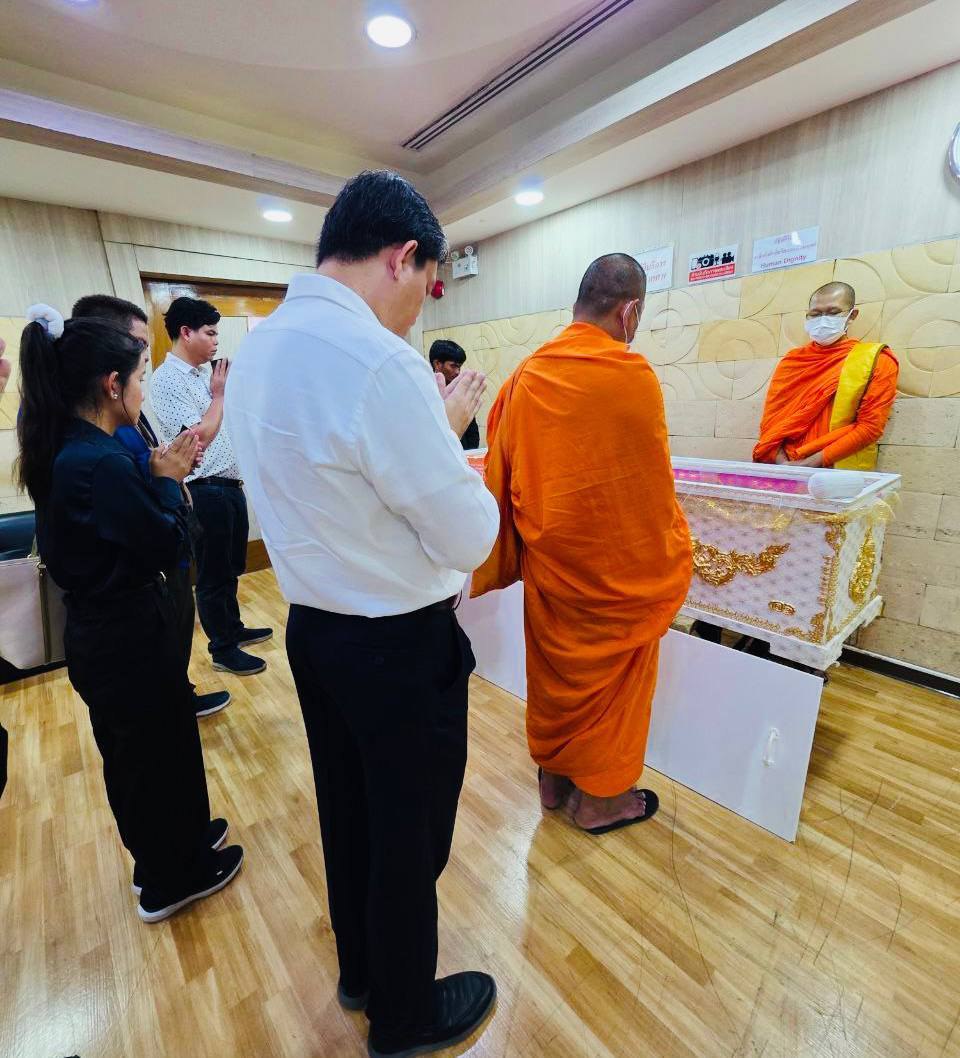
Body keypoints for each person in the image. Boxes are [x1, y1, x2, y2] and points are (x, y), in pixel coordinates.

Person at [227, 170, 500, 1058]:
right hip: (397, 643)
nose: (420, 309)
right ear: (402, 256)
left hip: (317, 631)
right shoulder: (381, 363)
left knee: (348, 813)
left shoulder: (262, 345)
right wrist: (451, 438)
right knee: (409, 832)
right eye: (428, 285)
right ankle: (404, 1016)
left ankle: (363, 973)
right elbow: (467, 535)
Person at [15, 304, 243, 922]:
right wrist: (167, 480)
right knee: (149, 758)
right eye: (140, 375)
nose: (144, 388)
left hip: (115, 633)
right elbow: (164, 540)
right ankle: (171, 878)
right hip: (124, 637)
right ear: (113, 385)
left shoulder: (72, 448)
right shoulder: (99, 463)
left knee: (153, 749)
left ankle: (179, 844)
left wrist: (160, 476)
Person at [473, 254, 692, 834]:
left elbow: (503, 475)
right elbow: (649, 492)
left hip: (554, 573)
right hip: (618, 579)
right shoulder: (632, 376)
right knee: (616, 691)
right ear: (630, 311)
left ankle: (552, 780)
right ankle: (601, 803)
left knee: (555, 680)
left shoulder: (526, 376)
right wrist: (673, 541)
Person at [71, 295, 230, 718]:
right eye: (139, 353)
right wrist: (167, 475)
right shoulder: (101, 449)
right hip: (139, 582)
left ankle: (179, 693)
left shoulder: (108, 429)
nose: (144, 358)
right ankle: (181, 691)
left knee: (183, 618)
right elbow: (153, 532)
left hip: (151, 563)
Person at [150, 297, 271, 676]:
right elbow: (195, 439)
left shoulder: (206, 375)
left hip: (230, 485)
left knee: (231, 567)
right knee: (213, 574)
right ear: (186, 333)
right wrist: (219, 396)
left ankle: (233, 628)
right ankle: (222, 648)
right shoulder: (167, 380)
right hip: (203, 488)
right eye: (210, 333)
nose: (217, 341)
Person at [753, 281, 899, 469]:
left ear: (852, 315)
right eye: (815, 314)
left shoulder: (876, 360)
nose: (823, 320)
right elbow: (771, 422)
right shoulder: (792, 361)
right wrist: (784, 465)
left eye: (833, 312)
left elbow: (870, 428)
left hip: (834, 470)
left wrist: (807, 465)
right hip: (783, 466)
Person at [428, 339, 480, 449]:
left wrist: (467, 454)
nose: (457, 372)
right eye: (453, 366)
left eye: (459, 367)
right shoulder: (426, 393)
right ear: (437, 364)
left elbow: (473, 433)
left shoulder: (461, 390)